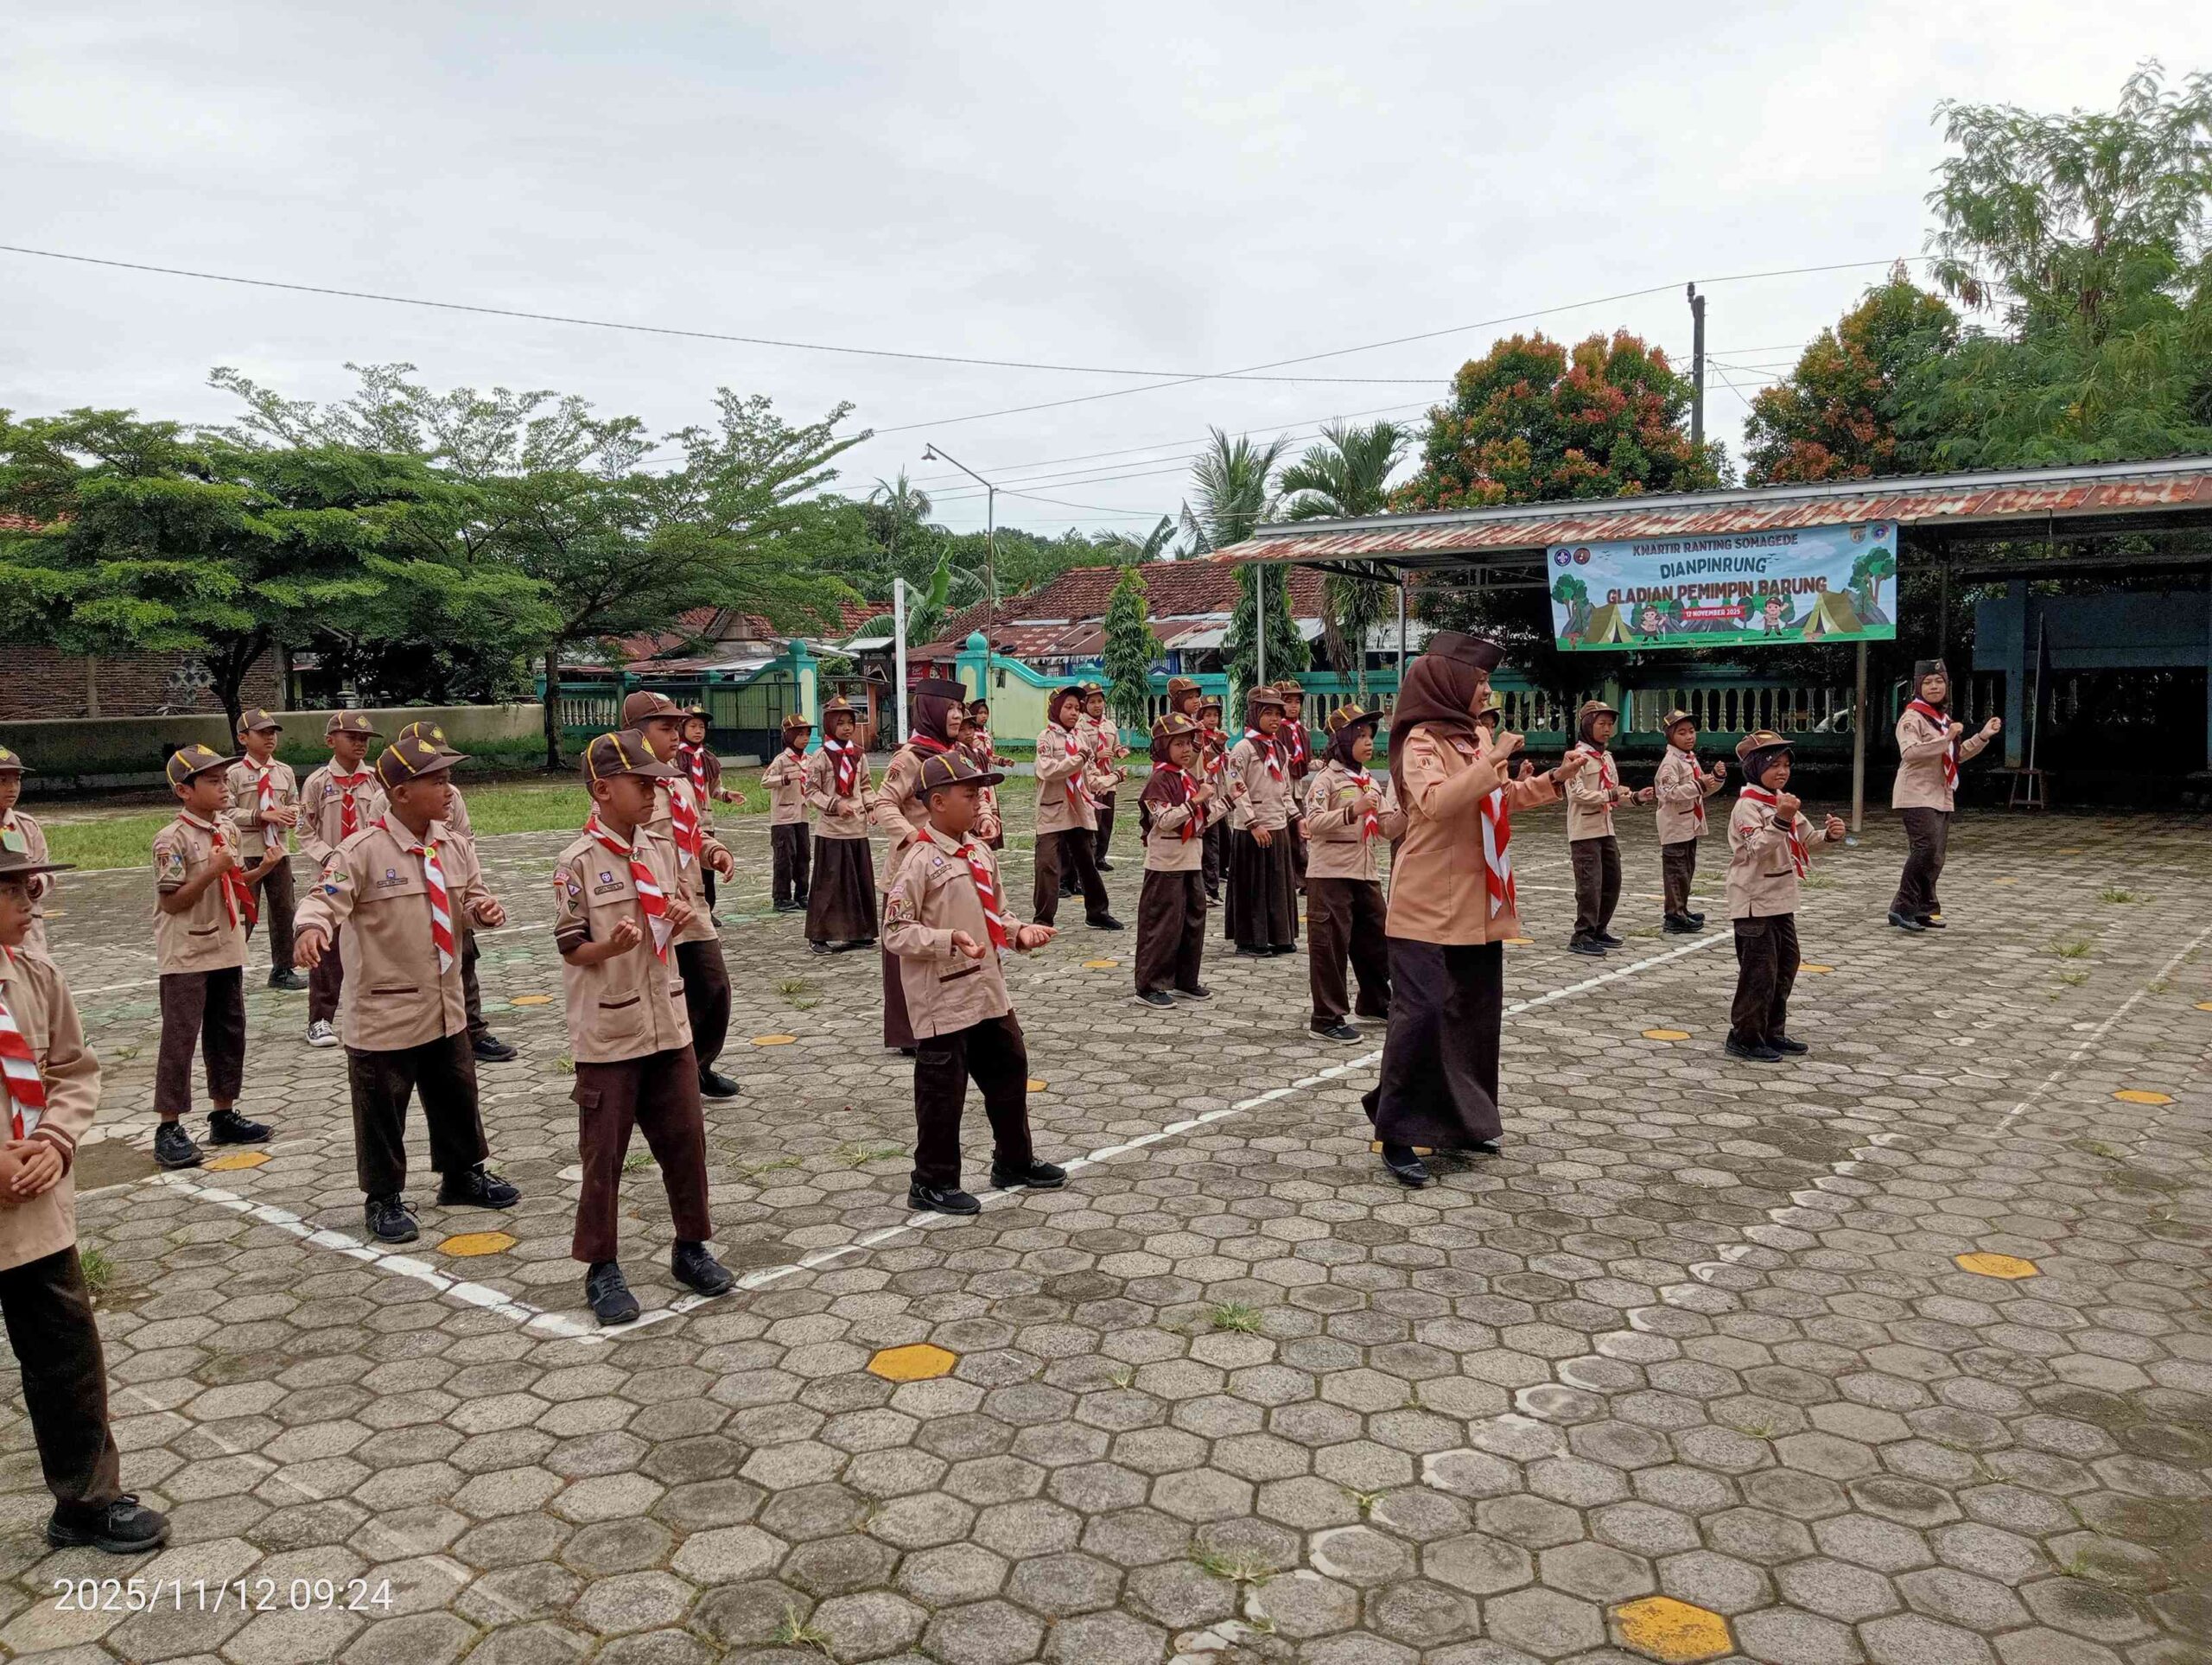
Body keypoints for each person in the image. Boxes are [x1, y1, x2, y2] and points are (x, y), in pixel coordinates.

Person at [1362, 632, 1588, 1187]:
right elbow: (1437, 802)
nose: (1488, 691)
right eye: (1480, 681)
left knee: (1472, 1015)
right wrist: (1491, 759)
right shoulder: (1420, 741)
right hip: (1424, 903)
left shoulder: (1477, 736)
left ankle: (1464, 1122)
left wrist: (1554, 779)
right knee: (1420, 1016)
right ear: (1450, 683)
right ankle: (1397, 1131)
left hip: (1477, 902)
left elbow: (1496, 800)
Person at [0, 845, 170, 1556]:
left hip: (31, 1204)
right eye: (10, 889)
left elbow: (74, 1070)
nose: (29, 898)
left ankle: (86, 1500)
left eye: (27, 885)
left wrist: (56, 1139)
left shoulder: (36, 976)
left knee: (65, 1355)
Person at [293, 732, 519, 1243]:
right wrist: (309, 929)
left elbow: (471, 898)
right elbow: (321, 899)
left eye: (448, 779)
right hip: (386, 1007)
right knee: (381, 1106)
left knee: (457, 1093)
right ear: (400, 793)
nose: (448, 790)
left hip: (445, 1002)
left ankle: (462, 1175)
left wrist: (482, 911)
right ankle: (383, 1197)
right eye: (436, 781)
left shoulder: (454, 846)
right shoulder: (362, 851)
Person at [554, 731, 734, 1325]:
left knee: (686, 1142)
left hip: (668, 1021)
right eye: (642, 783)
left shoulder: (660, 849)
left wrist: (677, 916)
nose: (655, 792)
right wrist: (609, 945)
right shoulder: (578, 862)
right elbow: (572, 947)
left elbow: (671, 918)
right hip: (611, 1030)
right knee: (603, 1154)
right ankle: (601, 1266)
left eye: (657, 782)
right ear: (603, 789)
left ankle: (691, 1246)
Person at [881, 750, 1064, 1215]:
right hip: (942, 996)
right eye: (969, 793)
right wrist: (947, 939)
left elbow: (997, 912)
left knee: (1010, 1071)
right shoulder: (918, 860)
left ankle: (1013, 1161)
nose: (980, 800)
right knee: (943, 1093)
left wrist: (1019, 933)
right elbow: (895, 931)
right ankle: (932, 1181)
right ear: (938, 802)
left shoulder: (979, 851)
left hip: (987, 990)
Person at [150, 744, 279, 1171]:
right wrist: (211, 869)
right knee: (181, 1037)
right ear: (184, 791)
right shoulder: (171, 839)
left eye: (224, 779)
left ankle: (223, 1113)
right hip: (187, 951)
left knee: (228, 1031)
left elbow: (234, 880)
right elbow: (172, 902)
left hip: (226, 944)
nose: (224, 788)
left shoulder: (227, 828)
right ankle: (168, 1125)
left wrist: (263, 869)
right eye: (212, 781)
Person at [623, 692, 741, 1101]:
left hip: (691, 906)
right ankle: (661, 1079)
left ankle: (699, 1066)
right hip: (653, 914)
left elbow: (692, 834)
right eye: (665, 728)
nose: (675, 735)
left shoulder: (678, 783)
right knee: (661, 998)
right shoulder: (627, 788)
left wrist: (715, 852)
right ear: (636, 734)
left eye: (677, 728)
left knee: (713, 988)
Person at [394, 721, 518, 1064]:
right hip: (407, 897)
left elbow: (465, 844)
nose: (445, 783)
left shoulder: (453, 797)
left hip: (448, 896)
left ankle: (472, 1031)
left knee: (464, 960)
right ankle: (419, 1035)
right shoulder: (385, 801)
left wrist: (474, 901)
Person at [1726, 731, 1848, 1063]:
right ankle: (1745, 1036)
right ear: (1754, 768)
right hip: (1754, 901)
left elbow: (1805, 839)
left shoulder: (1781, 799)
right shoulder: (1747, 806)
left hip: (1781, 900)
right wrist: (1781, 818)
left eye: (1785, 765)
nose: (1781, 771)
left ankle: (1771, 1031)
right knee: (1759, 972)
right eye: (1772, 765)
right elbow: (1758, 849)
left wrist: (1829, 835)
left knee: (1786, 965)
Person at [870, 678, 969, 1054]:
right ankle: (908, 1032)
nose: (957, 715)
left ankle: (952, 1021)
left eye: (959, 709)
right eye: (950, 708)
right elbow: (883, 804)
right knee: (907, 956)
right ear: (930, 711)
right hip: (910, 872)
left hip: (950, 870)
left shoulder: (955, 755)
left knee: (949, 946)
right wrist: (912, 837)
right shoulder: (909, 758)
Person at [1302, 705, 1405, 1042]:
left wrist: (1411, 811)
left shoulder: (1368, 780)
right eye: (1360, 736)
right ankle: (1326, 1017)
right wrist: (1351, 811)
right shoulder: (1326, 780)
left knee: (1376, 940)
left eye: (1371, 735)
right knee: (1330, 947)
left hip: (1365, 872)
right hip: (1330, 874)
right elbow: (1314, 822)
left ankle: (1374, 1001)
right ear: (1342, 741)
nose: (1369, 742)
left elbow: (1387, 827)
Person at [1889, 659, 2001, 933]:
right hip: (1916, 794)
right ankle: (1901, 908)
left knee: (1936, 856)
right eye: (1927, 682)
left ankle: (1923, 909)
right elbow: (1910, 753)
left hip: (1941, 794)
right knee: (1925, 849)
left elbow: (1955, 755)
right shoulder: (1912, 718)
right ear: (1918, 687)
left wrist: (1983, 736)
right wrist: (1946, 738)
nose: (1934, 686)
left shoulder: (1942, 720)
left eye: (1939, 681)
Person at [298, 714, 385, 1048]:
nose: (360, 743)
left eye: (365, 738)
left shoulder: (376, 781)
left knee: (373, 941)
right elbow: (305, 829)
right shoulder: (318, 782)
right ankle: (320, 1019)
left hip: (369, 873)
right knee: (328, 948)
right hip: (331, 874)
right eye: (352, 737)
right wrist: (328, 857)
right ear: (330, 741)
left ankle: (374, 1014)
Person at [1132, 714, 1225, 1007]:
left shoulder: (1186, 777)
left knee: (1192, 922)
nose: (1186, 749)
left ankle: (1186, 979)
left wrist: (1228, 801)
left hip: (1191, 859)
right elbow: (1165, 820)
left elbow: (1201, 820)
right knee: (1162, 924)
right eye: (1178, 744)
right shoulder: (1159, 779)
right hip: (1166, 863)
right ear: (1163, 746)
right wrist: (1195, 800)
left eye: (1188, 743)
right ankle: (1149, 985)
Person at [224, 709, 308, 992]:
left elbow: (295, 802)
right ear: (243, 738)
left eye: (272, 732)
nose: (270, 738)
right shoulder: (234, 774)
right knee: (244, 911)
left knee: (284, 910)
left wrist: (293, 813)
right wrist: (260, 815)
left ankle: (283, 969)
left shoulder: (284, 771)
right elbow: (225, 812)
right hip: (247, 850)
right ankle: (228, 969)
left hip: (278, 850)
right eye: (262, 733)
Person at [1564, 698, 1650, 956]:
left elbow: (1614, 794)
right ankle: (1582, 934)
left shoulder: (1606, 758)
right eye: (1601, 723)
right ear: (1587, 725)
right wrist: (1610, 794)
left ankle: (1599, 928)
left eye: (1610, 724)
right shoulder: (1575, 758)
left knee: (1612, 880)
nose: (1607, 729)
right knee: (1589, 885)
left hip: (1606, 828)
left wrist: (1635, 798)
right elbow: (1576, 794)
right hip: (1584, 830)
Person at [1033, 685, 1121, 931]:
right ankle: (1043, 919)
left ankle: (1097, 912)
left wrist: (1113, 778)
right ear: (1055, 708)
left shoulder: (1080, 739)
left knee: (1087, 863)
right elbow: (1048, 770)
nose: (1074, 712)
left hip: (1078, 809)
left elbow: (1090, 777)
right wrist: (1078, 759)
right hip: (1053, 810)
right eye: (1068, 707)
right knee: (1047, 865)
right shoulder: (1046, 738)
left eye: (1076, 708)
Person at [1224, 688, 1299, 956]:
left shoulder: (1279, 748)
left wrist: (1297, 817)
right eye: (1268, 713)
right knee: (1252, 886)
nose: (1275, 719)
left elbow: (1284, 788)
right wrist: (1253, 823)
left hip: (1277, 824)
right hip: (1252, 829)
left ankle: (1279, 935)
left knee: (1278, 884)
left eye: (1278, 713)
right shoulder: (1243, 748)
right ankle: (1249, 940)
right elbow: (1236, 788)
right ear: (1255, 714)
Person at [804, 696, 877, 953]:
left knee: (858, 882)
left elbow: (865, 785)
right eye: (840, 723)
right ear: (829, 724)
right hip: (832, 830)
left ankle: (860, 932)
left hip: (857, 828)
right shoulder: (821, 756)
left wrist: (871, 807)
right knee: (829, 884)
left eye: (850, 722)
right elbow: (811, 792)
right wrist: (835, 804)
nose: (846, 728)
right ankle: (819, 935)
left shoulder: (858, 754)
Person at [1653, 709, 1726, 934]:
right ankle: (1673, 916)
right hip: (1675, 826)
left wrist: (1716, 778)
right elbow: (1669, 792)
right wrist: (1700, 784)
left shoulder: (1688, 759)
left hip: (1689, 825)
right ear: (1670, 736)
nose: (1689, 737)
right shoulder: (1670, 763)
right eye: (1682, 732)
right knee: (1676, 872)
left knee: (1686, 870)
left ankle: (1682, 909)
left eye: (1692, 731)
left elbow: (1701, 791)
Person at [676, 709, 739, 923]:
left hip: (705, 822)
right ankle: (688, 910)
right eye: (693, 726)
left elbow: (714, 789)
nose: (698, 731)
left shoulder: (708, 759)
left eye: (701, 727)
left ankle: (708, 910)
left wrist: (727, 795)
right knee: (686, 870)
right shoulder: (675, 759)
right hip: (683, 823)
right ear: (682, 729)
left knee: (708, 870)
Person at [0, 747, 54, 957]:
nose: (12, 788)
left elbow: (46, 871)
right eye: (2, 781)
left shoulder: (26, 826)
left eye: (17, 780)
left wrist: (36, 882)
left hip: (28, 940)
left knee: (33, 974)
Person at [760, 713, 815, 913]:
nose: (805, 739)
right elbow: (765, 781)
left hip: (802, 814)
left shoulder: (810, 760)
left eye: (807, 734)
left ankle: (802, 894)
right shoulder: (781, 760)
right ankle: (781, 897)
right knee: (785, 856)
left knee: (804, 855)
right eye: (800, 734)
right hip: (783, 817)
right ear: (789, 736)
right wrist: (785, 778)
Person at [1084, 685, 1130, 872]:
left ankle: (1100, 857)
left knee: (1106, 822)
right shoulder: (1080, 726)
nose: (1097, 705)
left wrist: (1120, 751)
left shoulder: (1109, 725)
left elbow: (1115, 746)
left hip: (1110, 780)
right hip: (1091, 781)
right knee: (1092, 821)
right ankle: (1089, 859)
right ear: (1085, 704)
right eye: (1092, 702)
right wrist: (1097, 754)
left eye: (1100, 701)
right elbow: (1079, 753)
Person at [1276, 683, 1313, 892]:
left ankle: (1303, 877)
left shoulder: (1300, 729)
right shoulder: (1278, 730)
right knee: (1286, 836)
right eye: (1288, 701)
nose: (1293, 706)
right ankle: (1289, 878)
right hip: (1281, 787)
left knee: (1299, 834)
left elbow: (1305, 759)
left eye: (1297, 702)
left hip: (1296, 787)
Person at [1196, 696, 1230, 903]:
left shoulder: (1219, 736)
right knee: (1211, 840)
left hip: (1220, 792)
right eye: (1207, 715)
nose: (1212, 719)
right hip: (1206, 794)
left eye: (1215, 715)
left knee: (1224, 837)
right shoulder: (1197, 738)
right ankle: (1210, 888)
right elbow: (1203, 761)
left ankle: (1220, 872)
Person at [964, 698, 1009, 851]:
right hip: (975, 775)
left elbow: (989, 756)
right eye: (980, 713)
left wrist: (1002, 761)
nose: (983, 716)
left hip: (987, 776)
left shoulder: (987, 735)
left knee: (989, 807)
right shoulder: (970, 738)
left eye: (985, 713)